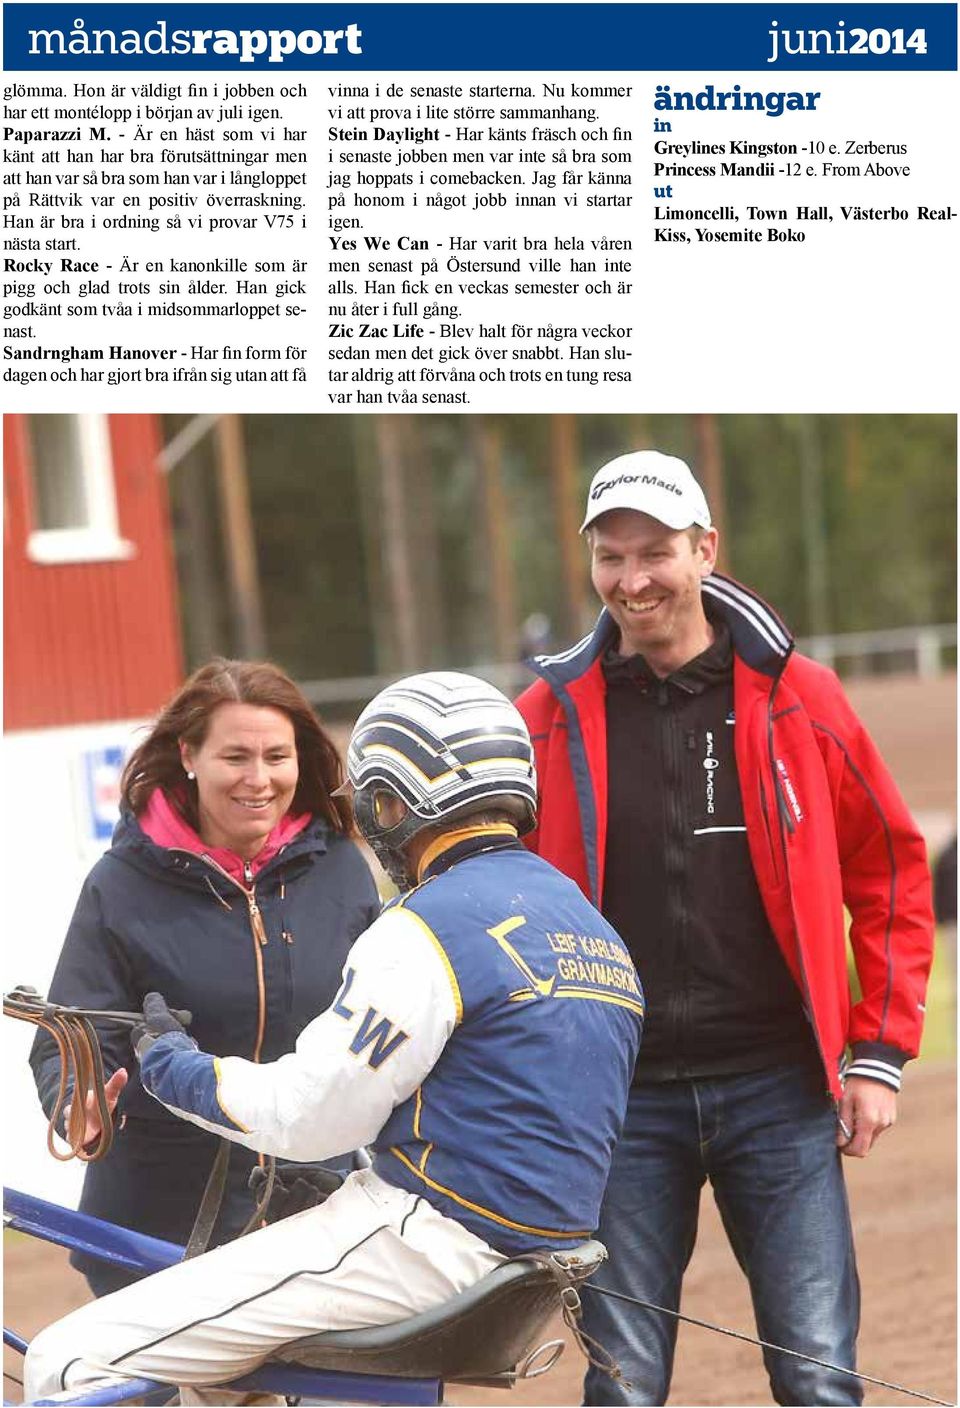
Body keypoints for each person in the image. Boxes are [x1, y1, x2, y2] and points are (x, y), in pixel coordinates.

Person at [24, 671, 645, 1406]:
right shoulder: (583, 924)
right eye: (237, 759)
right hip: (515, 1255)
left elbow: (310, 1113)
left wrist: (168, 1065)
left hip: (412, 1240)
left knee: (69, 1360)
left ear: (392, 799)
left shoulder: (426, 925)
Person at [515, 451, 935, 1406]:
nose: (632, 581)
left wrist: (876, 1052)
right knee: (622, 1386)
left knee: (818, 1376)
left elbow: (892, 870)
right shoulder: (545, 719)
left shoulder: (799, 699)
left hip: (778, 1092)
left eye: (655, 553)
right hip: (617, 1107)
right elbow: (488, 897)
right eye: (610, 557)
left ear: (706, 550)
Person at [30, 658, 381, 1296]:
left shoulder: (343, 870)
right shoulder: (120, 884)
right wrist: (75, 1102)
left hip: (315, 1220)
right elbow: (70, 1032)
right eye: (236, 757)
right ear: (188, 755)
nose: (259, 779)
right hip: (153, 1233)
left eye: (278, 756)